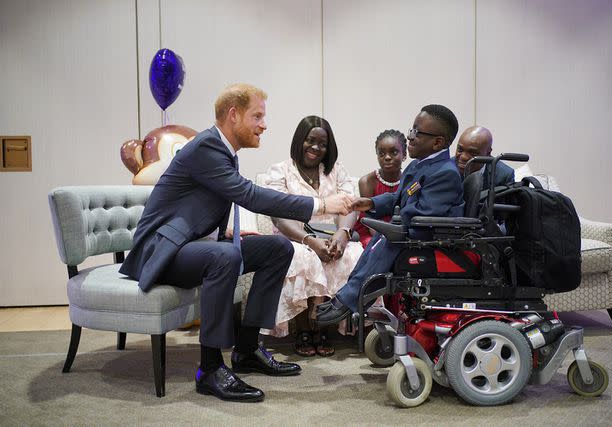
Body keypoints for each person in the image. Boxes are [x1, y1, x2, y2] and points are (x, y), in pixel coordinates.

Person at [119, 83, 352, 403]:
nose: (264, 125)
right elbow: (249, 195)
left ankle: (246, 350)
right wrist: (322, 206)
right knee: (224, 257)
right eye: (257, 116)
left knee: (278, 248)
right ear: (233, 115)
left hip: (190, 245)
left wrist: (221, 234)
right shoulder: (207, 148)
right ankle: (211, 369)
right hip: (160, 252)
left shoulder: (222, 150)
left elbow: (197, 206)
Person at [316, 104, 464, 326]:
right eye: (411, 130)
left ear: (438, 142)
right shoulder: (418, 166)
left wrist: (394, 221)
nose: (410, 137)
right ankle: (349, 297)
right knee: (382, 237)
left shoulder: (445, 173)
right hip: (415, 231)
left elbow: (423, 214)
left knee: (389, 238)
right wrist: (369, 203)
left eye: (416, 132)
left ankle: (350, 300)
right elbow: (397, 198)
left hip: (432, 239)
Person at [263, 115, 363, 357]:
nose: (316, 148)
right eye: (310, 141)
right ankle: (305, 330)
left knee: (353, 254)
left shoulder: (336, 171)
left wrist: (343, 233)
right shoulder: (280, 171)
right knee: (301, 257)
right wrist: (309, 241)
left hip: (331, 236)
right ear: (300, 140)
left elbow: (350, 207)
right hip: (294, 237)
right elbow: (279, 216)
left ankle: (325, 327)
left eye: (322, 144)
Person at [353, 129, 407, 248]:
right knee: (376, 246)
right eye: (381, 153)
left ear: (404, 155)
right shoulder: (367, 181)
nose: (387, 157)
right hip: (371, 232)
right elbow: (370, 221)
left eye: (393, 152)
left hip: (400, 232)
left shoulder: (409, 180)